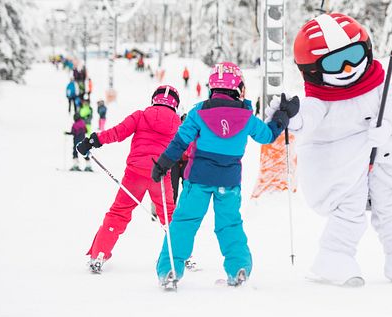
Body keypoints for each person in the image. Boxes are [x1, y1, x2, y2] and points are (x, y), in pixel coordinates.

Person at [279, 13, 392, 286]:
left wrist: (386, 125)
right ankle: (334, 258)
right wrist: (293, 117)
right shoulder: (322, 98)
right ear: (314, 69)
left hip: (381, 158)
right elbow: (309, 116)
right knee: (349, 209)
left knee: (390, 205)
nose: (349, 68)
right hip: (345, 164)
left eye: (354, 55)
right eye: (336, 62)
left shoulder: (379, 82)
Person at [151, 62, 294, 288]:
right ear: (238, 88)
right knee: (229, 225)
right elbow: (267, 136)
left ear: (212, 87)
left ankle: (169, 270)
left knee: (184, 223)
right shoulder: (246, 116)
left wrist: (162, 164)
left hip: (197, 179)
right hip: (228, 183)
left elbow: (180, 141)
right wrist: (281, 117)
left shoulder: (199, 112)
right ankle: (239, 268)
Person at [76, 85, 182, 273]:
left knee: (118, 213)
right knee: (170, 216)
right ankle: (182, 254)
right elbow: (186, 148)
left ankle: (99, 254)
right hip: (161, 176)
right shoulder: (178, 124)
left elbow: (117, 132)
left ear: (153, 100)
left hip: (135, 175)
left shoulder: (140, 115)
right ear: (176, 105)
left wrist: (92, 141)